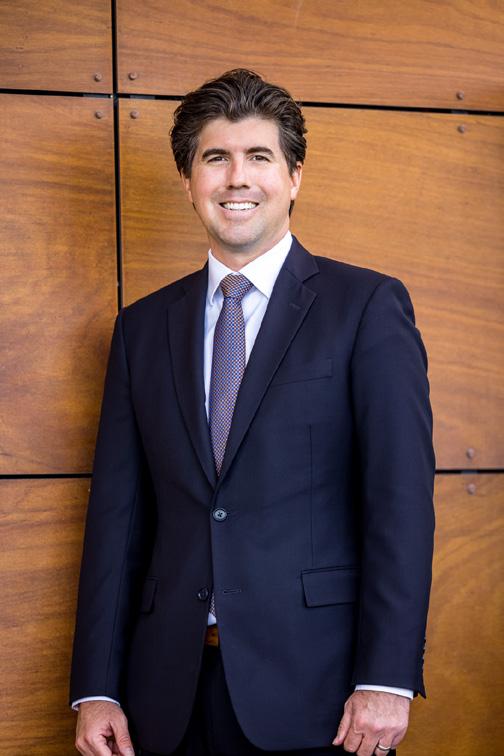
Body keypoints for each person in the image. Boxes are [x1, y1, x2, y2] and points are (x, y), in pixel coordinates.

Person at [70, 69, 435, 756]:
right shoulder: (141, 329)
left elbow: (400, 505)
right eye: (216, 158)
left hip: (322, 696)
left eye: (259, 157)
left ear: (293, 177)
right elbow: (117, 520)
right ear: (189, 182)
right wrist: (96, 687)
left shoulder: (366, 308)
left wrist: (387, 677)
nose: (237, 178)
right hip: (165, 697)